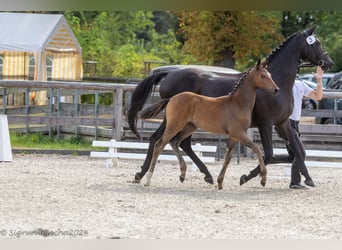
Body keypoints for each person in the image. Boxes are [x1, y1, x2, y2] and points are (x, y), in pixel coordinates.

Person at [288, 66, 324, 189]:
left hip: (295, 124)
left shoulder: (300, 84)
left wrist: (319, 81)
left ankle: (265, 161)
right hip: (285, 124)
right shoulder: (280, 84)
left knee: (294, 155)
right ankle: (295, 182)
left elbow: (317, 96)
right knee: (301, 153)